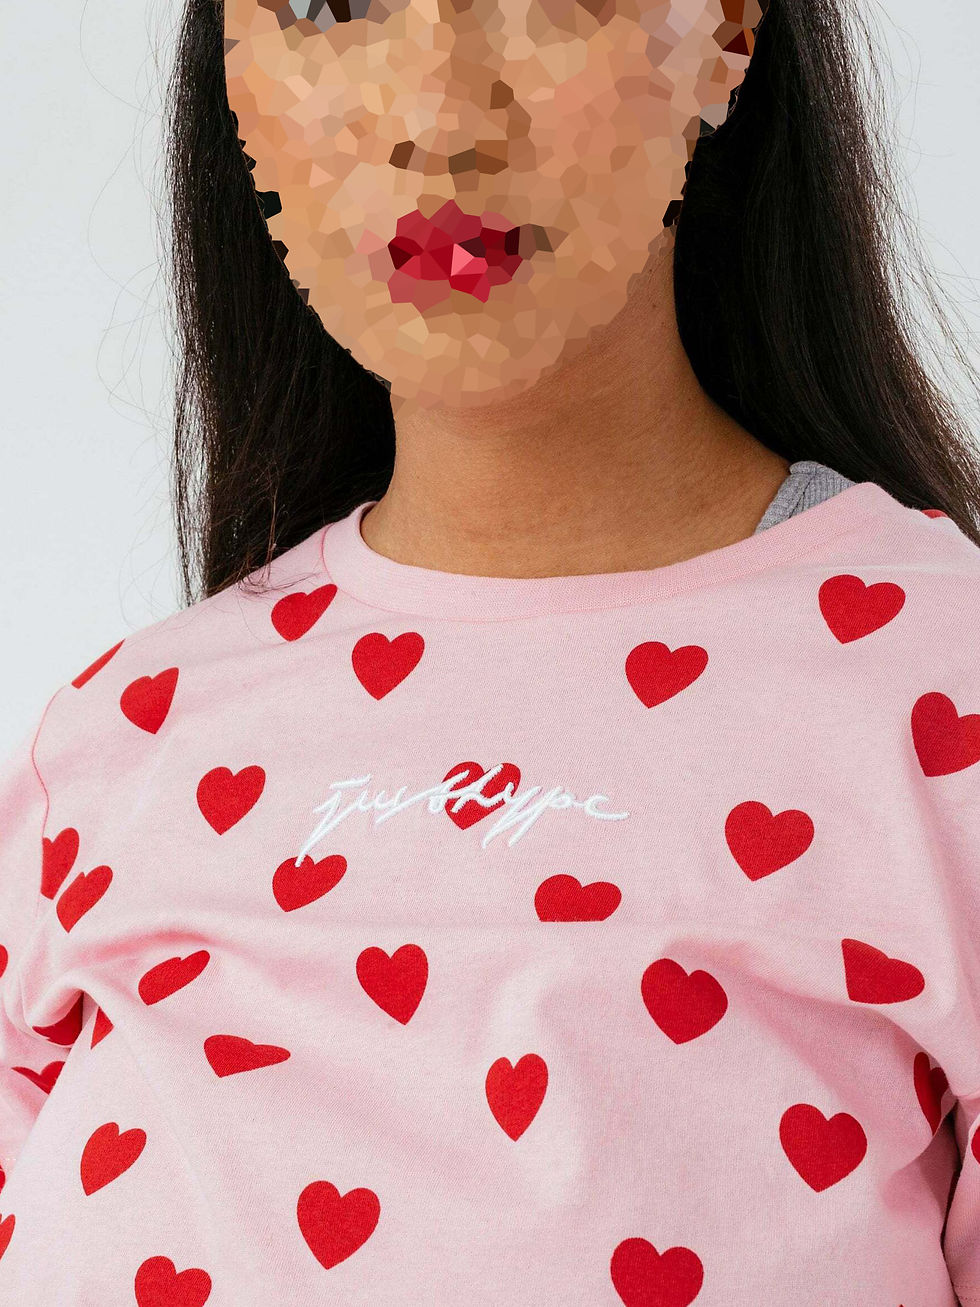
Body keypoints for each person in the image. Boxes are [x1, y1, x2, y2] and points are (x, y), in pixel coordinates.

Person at [2, 0, 980, 1301]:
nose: (438, 118)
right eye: (330, 6)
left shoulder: (942, 686)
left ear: (727, 35)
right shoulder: (115, 742)